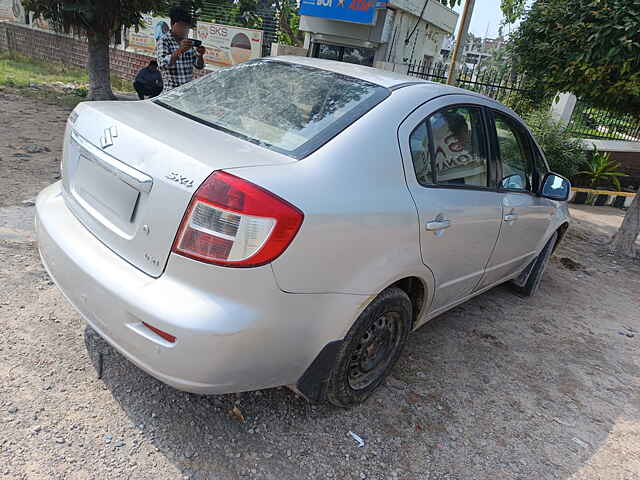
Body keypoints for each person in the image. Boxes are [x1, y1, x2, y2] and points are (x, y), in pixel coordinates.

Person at [156, 6, 206, 91]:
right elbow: (162, 65)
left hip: (187, 92)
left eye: (187, 27)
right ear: (172, 24)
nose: (185, 30)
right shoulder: (164, 40)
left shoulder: (187, 41)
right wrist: (180, 50)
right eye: (182, 26)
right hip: (170, 93)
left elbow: (199, 66)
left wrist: (200, 55)